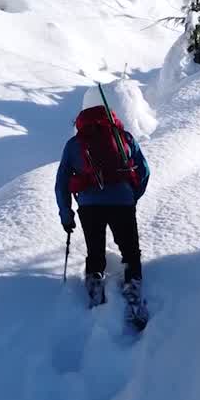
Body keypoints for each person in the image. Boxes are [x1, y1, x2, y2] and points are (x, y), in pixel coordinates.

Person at [55, 103, 150, 307]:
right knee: (130, 250)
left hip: (90, 206)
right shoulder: (124, 138)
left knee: (95, 251)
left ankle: (95, 289)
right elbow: (144, 171)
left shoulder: (74, 144)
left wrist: (66, 213)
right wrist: (132, 196)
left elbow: (62, 182)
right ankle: (133, 288)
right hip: (122, 201)